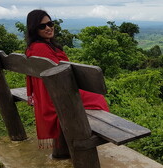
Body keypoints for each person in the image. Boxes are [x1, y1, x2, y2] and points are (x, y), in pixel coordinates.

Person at [25, 9, 109, 150]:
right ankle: (85, 137)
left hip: (51, 91)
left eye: (50, 24)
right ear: (34, 29)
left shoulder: (37, 47)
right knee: (97, 98)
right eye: (42, 26)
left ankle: (70, 142)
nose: (48, 28)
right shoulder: (41, 48)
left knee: (94, 97)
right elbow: (58, 75)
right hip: (56, 93)